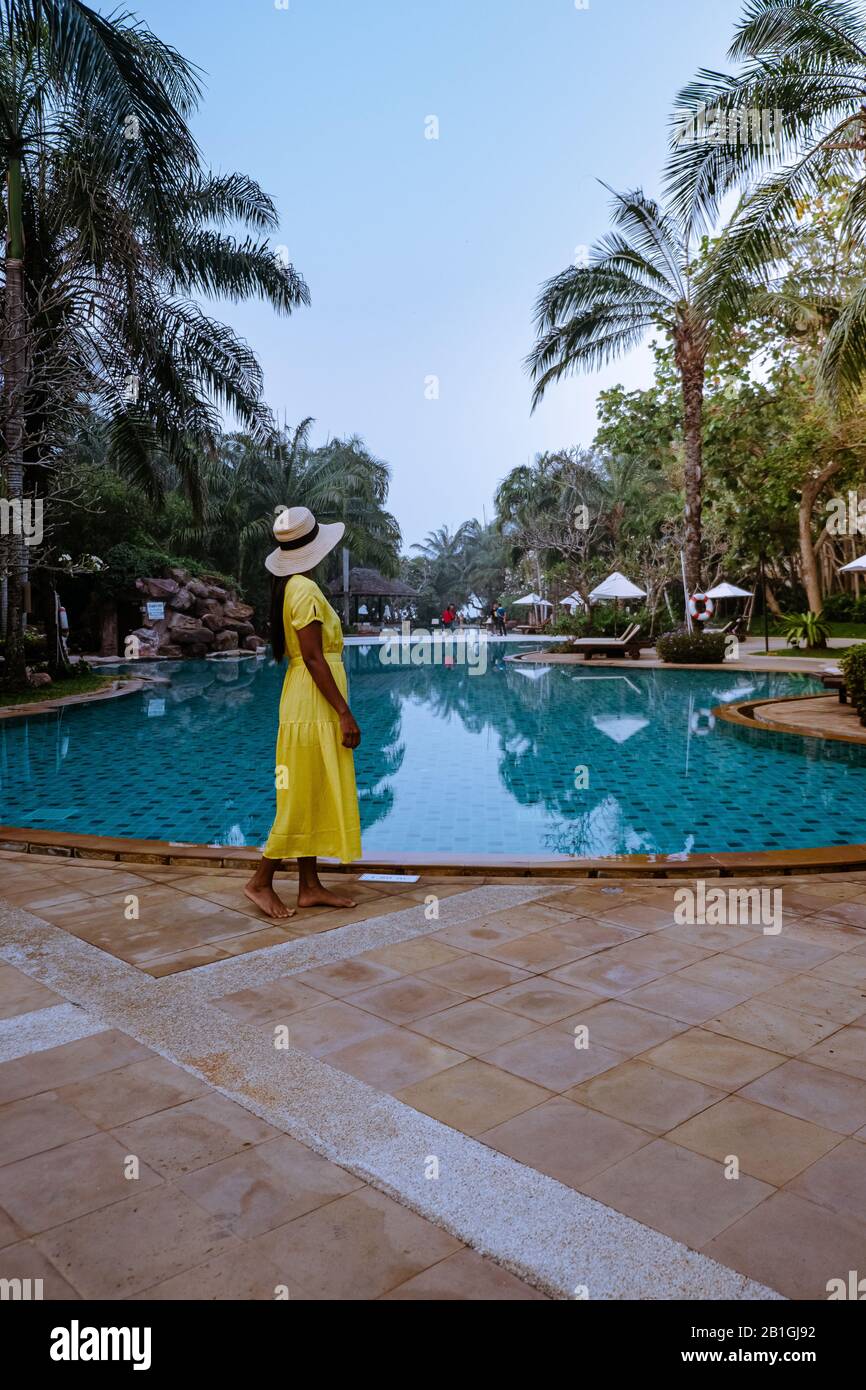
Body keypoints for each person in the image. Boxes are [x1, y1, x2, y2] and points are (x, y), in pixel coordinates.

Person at [245, 507, 362, 920]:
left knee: (310, 789)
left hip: (307, 702)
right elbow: (314, 658)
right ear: (315, 548)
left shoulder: (293, 587)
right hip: (313, 705)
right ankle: (260, 881)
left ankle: (309, 887)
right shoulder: (304, 591)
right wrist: (344, 713)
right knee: (297, 798)